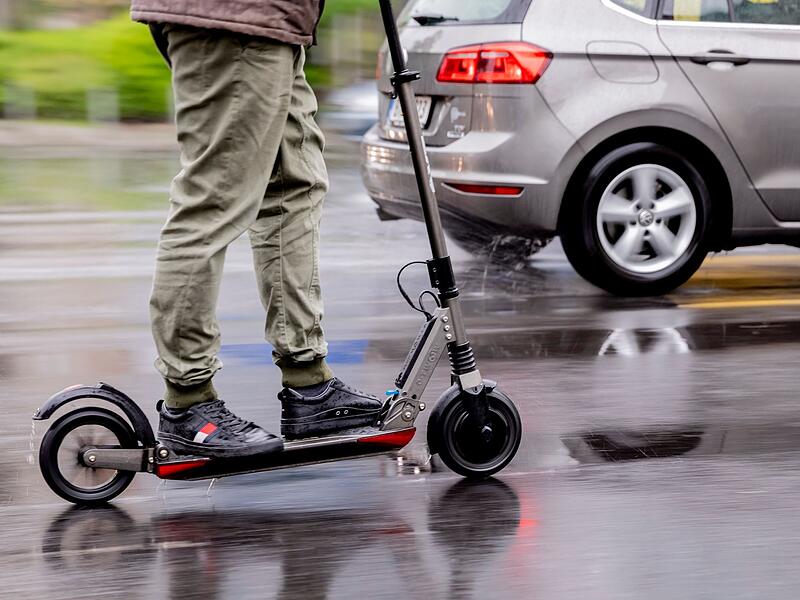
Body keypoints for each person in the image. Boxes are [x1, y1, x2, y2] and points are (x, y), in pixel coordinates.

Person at [130, 0, 382, 458]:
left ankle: (309, 385)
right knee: (213, 200)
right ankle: (188, 403)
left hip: (277, 21)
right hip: (234, 16)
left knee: (294, 188)